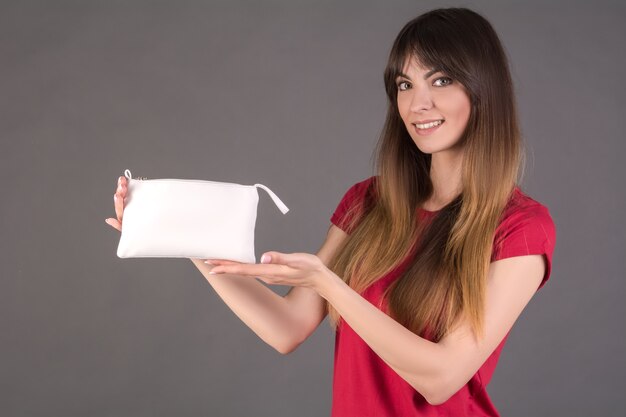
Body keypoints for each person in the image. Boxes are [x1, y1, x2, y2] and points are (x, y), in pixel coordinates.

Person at [105, 7, 556, 417]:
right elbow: (287, 328)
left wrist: (329, 283)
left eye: (440, 81)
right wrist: (182, 234)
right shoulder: (369, 202)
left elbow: (440, 379)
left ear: (483, 88)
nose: (418, 104)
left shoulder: (520, 229)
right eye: (405, 84)